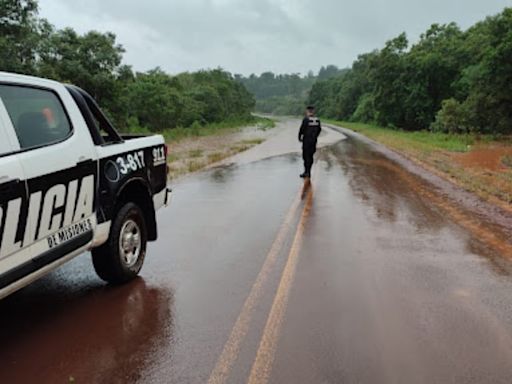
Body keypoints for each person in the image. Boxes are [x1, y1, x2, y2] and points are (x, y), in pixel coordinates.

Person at [298, 106, 321, 178]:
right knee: (310, 156)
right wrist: (315, 136)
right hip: (313, 141)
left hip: (306, 141)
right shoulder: (317, 120)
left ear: (307, 111)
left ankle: (306, 172)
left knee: (305, 156)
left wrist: (299, 137)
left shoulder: (306, 119)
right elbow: (319, 130)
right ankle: (308, 172)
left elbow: (301, 129)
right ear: (313, 111)